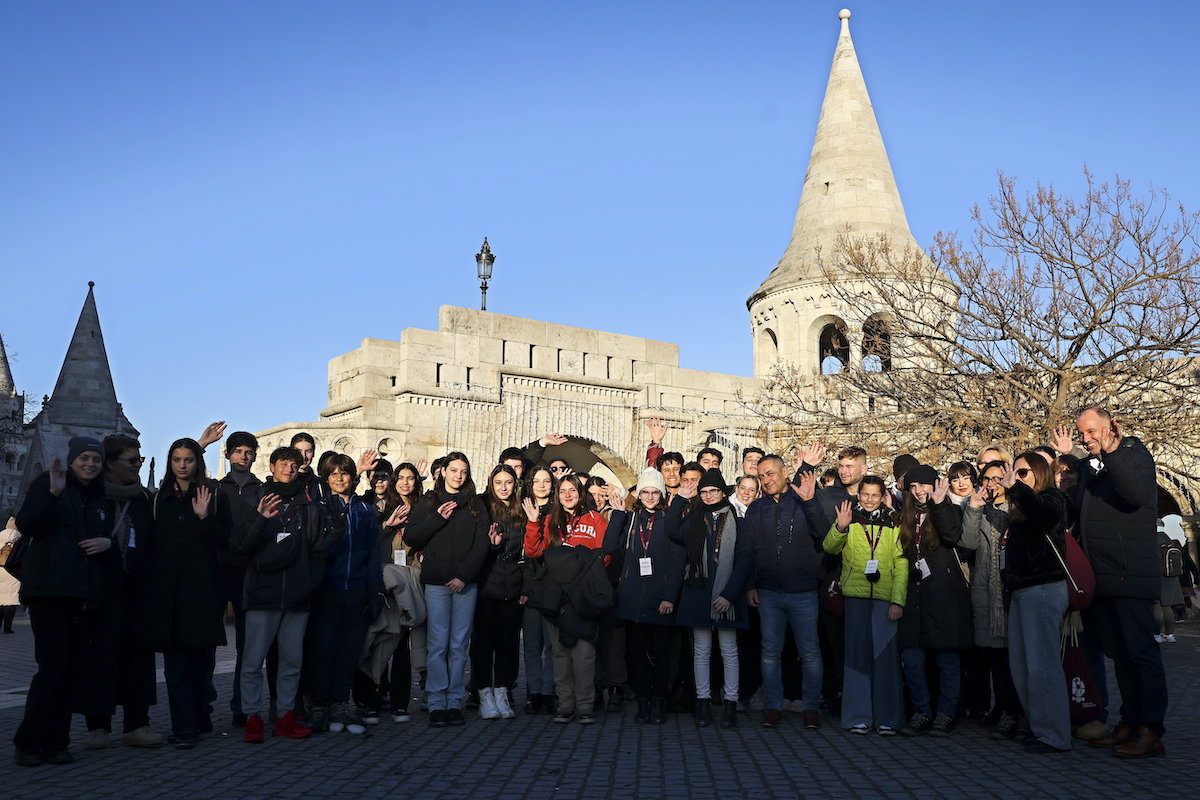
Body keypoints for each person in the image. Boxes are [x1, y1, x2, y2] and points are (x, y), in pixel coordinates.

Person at [1055, 409, 1167, 757]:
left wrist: (1112, 452)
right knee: (1121, 658)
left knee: (1141, 655)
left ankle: (1151, 729)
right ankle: (1129, 723)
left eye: (1090, 433)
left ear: (1110, 428)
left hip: (1129, 576)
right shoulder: (1092, 467)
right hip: (1102, 580)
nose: (1085, 439)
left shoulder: (1134, 455)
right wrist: (1070, 461)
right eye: (1081, 434)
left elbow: (1134, 495)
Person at [13, 437, 115, 766]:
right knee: (52, 668)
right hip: (49, 591)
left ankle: (58, 742)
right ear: (71, 461)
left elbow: (107, 539)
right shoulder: (49, 485)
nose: (90, 464)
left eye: (96, 459)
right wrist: (53, 494)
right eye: (84, 458)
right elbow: (28, 524)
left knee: (72, 670)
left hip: (81, 593)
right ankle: (29, 743)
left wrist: (107, 543)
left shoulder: (100, 497)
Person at [230, 446, 327, 743]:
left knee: (291, 662)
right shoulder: (254, 500)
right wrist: (260, 518)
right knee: (252, 661)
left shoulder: (310, 508)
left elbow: (319, 552)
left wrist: (308, 585)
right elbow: (240, 547)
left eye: (294, 464)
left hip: (297, 597)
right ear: (272, 466)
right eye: (283, 462)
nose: (289, 468)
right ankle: (252, 717)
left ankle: (285, 716)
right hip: (263, 594)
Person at [144, 438, 230, 750]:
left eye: (189, 459)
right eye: (177, 459)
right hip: (169, 595)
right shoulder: (159, 499)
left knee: (201, 663)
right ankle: (184, 726)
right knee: (176, 664)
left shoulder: (212, 494)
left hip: (203, 592)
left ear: (197, 462)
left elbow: (224, 540)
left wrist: (205, 517)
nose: (182, 465)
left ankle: (201, 712)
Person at [742, 456, 829, 730]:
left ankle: (811, 706)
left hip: (802, 591)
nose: (766, 480)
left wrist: (810, 502)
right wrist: (749, 585)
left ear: (784, 472)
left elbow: (824, 535)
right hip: (768, 592)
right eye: (762, 477)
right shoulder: (755, 510)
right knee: (769, 652)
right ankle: (773, 705)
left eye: (770, 474)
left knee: (810, 652)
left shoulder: (804, 500)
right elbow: (748, 552)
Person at [404, 452, 489, 728]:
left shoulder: (475, 504)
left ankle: (454, 699)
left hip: (465, 583)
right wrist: (438, 518)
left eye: (463, 471)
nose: (458, 475)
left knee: (458, 644)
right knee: (438, 643)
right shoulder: (429, 502)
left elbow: (481, 544)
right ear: (443, 472)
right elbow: (412, 536)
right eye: (453, 470)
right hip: (437, 582)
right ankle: (436, 700)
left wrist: (465, 576)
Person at [998, 453, 1072, 754]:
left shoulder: (1052, 498)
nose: (1016, 477)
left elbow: (1042, 514)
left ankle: (1055, 735)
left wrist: (1016, 488)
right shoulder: (1018, 508)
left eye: (1023, 472)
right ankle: (1038, 725)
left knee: (1042, 664)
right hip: (1021, 590)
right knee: (1021, 664)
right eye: (1015, 472)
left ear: (1038, 473)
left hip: (1043, 587)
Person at [523, 474, 611, 723]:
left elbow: (604, 557)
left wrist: (576, 561)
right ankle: (565, 705)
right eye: (562, 491)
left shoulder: (595, 519)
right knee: (559, 653)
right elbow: (533, 551)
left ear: (581, 493)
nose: (568, 495)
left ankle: (584, 706)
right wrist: (532, 523)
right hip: (556, 595)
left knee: (583, 654)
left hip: (583, 596)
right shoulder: (551, 519)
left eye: (573, 490)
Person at [307, 454, 385, 735]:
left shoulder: (365, 510)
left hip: (357, 588)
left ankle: (340, 702)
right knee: (324, 649)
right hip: (328, 590)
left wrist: (374, 590)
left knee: (349, 650)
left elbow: (372, 554)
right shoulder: (318, 508)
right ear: (326, 478)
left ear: (353, 476)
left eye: (345, 473)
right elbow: (315, 553)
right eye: (334, 474)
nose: (340, 479)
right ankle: (319, 705)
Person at [670, 468, 754, 729]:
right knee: (701, 650)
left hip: (727, 595)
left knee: (729, 651)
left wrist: (729, 594)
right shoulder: (695, 518)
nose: (708, 496)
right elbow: (672, 531)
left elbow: (744, 559)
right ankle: (702, 701)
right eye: (704, 491)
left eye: (713, 491)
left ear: (722, 492)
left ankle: (730, 702)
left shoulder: (738, 521)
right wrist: (681, 500)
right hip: (698, 591)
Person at [823, 476, 906, 735]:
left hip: (884, 598)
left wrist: (897, 600)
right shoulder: (850, 518)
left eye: (875, 495)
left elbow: (901, 564)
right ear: (858, 494)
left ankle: (887, 718)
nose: (869, 500)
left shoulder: (893, 522)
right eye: (865, 494)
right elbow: (829, 547)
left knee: (885, 658)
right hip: (856, 596)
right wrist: (840, 527)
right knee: (856, 658)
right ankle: (858, 716)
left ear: (883, 496)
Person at [896, 465, 970, 738]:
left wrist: (939, 504)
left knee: (946, 659)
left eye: (923, 485)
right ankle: (921, 711)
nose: (919, 491)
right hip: (914, 596)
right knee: (912, 659)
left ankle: (946, 713)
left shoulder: (948, 508)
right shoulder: (905, 515)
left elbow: (952, 536)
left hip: (945, 596)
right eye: (913, 486)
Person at [612, 469, 682, 725]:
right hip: (633, 600)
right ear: (639, 495)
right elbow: (610, 547)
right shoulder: (631, 519)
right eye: (645, 492)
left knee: (662, 655)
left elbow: (677, 562)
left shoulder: (668, 520)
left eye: (655, 492)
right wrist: (618, 515)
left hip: (660, 599)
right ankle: (643, 702)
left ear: (661, 495)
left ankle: (659, 701)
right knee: (636, 656)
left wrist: (669, 596)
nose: (650, 496)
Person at [959, 460, 1023, 738]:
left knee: (1010, 658)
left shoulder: (1017, 510)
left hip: (1009, 592)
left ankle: (1013, 710)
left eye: (998, 478)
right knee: (994, 658)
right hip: (986, 592)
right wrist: (973, 508)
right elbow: (968, 543)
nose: (992, 484)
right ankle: (1001, 707)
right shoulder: (976, 509)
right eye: (987, 478)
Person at [214, 431, 263, 727]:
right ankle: (203, 706)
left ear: (255, 456)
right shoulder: (218, 488)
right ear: (228, 455)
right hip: (219, 570)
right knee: (208, 638)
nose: (243, 456)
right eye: (238, 451)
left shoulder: (262, 489)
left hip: (249, 573)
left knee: (247, 645)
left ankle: (241, 706)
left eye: (248, 451)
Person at [471, 464, 526, 720]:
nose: (503, 487)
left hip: (512, 584)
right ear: (491, 485)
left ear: (515, 484)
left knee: (507, 643)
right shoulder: (483, 506)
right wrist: (491, 547)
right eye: (498, 482)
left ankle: (503, 690)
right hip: (486, 583)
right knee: (483, 644)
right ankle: (483, 692)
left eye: (508, 482)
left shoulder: (521, 510)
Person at [520, 464, 558, 714]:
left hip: (553, 584)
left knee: (552, 644)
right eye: (537, 481)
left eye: (546, 481)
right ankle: (534, 691)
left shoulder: (559, 512)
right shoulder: (520, 510)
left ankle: (548, 691)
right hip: (528, 585)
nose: (542, 485)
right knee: (532, 643)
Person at [0, 517, 18, 633]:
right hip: (13, 572)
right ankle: (7, 628)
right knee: (11, 600)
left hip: (0, 571)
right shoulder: (20, 538)